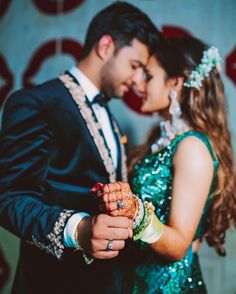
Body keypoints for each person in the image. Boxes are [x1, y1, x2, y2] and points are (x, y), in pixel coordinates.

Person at [0, 2, 163, 293]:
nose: (138, 81)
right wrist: (78, 229)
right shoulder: (35, 103)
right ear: (106, 46)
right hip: (52, 283)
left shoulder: (112, 119)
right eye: (135, 65)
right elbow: (10, 199)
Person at [97, 36, 236, 293]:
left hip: (167, 286)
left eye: (148, 75)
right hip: (135, 280)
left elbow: (180, 245)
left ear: (175, 83)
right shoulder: (161, 140)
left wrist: (135, 212)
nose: (138, 82)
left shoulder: (192, 147)